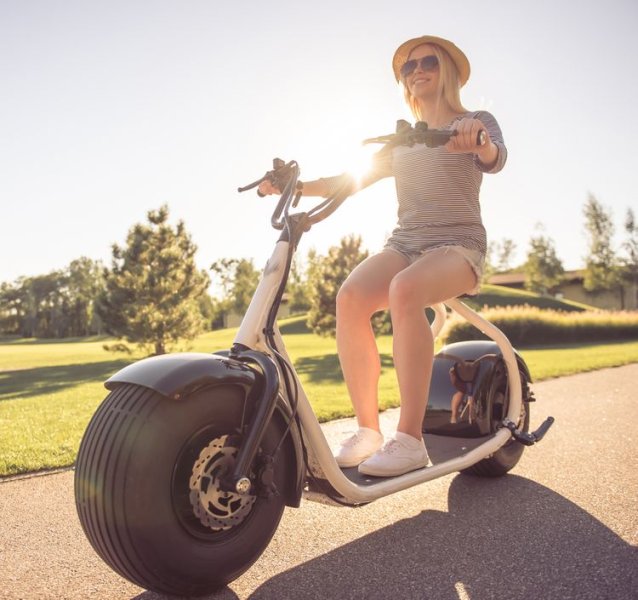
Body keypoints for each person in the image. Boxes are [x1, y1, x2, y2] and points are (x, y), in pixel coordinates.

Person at [259, 35, 507, 477]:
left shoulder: (474, 121)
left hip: (458, 245)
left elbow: (494, 156)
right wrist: (292, 186)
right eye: (407, 68)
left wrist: (478, 140)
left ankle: (409, 440)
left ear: (447, 68)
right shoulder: (404, 141)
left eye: (427, 61)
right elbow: (347, 180)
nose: (417, 71)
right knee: (350, 297)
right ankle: (368, 431)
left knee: (405, 290)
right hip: (406, 243)